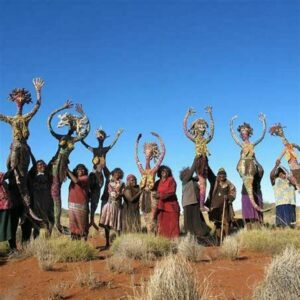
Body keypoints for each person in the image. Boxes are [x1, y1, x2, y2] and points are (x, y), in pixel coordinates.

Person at [0, 78, 44, 222]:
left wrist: (38, 92)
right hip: (17, 145)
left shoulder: (26, 117)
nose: (20, 99)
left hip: (25, 148)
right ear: (14, 100)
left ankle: (27, 209)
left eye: (22, 97)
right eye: (17, 97)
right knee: (14, 171)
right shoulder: (12, 119)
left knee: (23, 178)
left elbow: (37, 106)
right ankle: (9, 177)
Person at [48, 100, 90, 232]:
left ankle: (58, 225)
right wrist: (62, 108)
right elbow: (49, 124)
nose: (72, 126)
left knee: (57, 192)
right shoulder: (61, 137)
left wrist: (83, 114)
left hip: (63, 168)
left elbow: (87, 131)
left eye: (74, 124)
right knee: (54, 192)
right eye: (70, 123)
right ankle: (56, 224)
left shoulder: (74, 139)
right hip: (55, 165)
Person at [81, 128, 123, 229]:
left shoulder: (105, 149)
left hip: (102, 174)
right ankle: (87, 219)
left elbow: (112, 145)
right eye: (99, 135)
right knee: (87, 192)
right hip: (94, 172)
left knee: (97, 194)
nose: (100, 137)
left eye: (102, 136)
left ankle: (94, 220)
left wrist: (117, 136)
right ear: (97, 137)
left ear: (104, 138)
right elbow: (85, 145)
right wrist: (81, 137)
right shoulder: (94, 149)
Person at [230, 113, 266, 214]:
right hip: (243, 165)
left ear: (249, 132)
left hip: (251, 163)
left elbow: (262, 136)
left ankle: (256, 202)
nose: (243, 133)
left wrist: (264, 122)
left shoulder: (252, 144)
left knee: (260, 170)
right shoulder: (241, 144)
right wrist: (231, 124)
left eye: (245, 131)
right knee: (238, 168)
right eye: (242, 131)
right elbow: (233, 136)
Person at [183, 106, 214, 212]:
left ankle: (206, 202)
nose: (201, 127)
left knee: (212, 181)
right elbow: (185, 131)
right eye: (199, 125)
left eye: (203, 126)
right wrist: (187, 116)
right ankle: (201, 205)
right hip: (199, 160)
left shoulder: (206, 140)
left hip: (205, 161)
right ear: (195, 127)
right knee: (203, 183)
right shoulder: (195, 139)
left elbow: (212, 132)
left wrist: (210, 115)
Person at [135, 132, 165, 233]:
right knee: (146, 217)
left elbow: (163, 153)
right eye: (146, 152)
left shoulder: (154, 170)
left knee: (152, 217)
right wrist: (137, 142)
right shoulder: (142, 170)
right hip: (143, 195)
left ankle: (155, 235)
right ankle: (150, 237)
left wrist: (159, 138)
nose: (148, 155)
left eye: (150, 153)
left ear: (152, 155)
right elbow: (136, 158)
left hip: (152, 195)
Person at [180, 158, 210, 241]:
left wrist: (203, 164)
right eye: (187, 173)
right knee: (190, 221)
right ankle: (191, 237)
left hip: (195, 203)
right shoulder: (185, 180)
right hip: (188, 203)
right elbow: (192, 171)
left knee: (197, 220)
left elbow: (200, 176)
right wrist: (195, 159)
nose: (189, 173)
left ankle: (200, 236)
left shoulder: (194, 181)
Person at [207, 168, 236, 243]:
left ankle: (227, 240)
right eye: (220, 174)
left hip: (225, 206)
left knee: (226, 222)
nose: (222, 176)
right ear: (218, 175)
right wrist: (207, 204)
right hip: (215, 206)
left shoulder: (228, 183)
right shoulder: (215, 183)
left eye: (223, 174)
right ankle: (218, 240)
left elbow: (233, 191)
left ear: (225, 175)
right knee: (217, 223)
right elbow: (210, 194)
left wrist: (229, 197)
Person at [99, 168, 124, 249]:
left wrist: (119, 193)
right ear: (112, 174)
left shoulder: (122, 183)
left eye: (118, 173)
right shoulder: (110, 183)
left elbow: (122, 193)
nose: (117, 175)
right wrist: (117, 193)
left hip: (117, 206)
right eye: (115, 173)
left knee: (118, 225)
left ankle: (119, 243)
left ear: (120, 175)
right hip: (109, 205)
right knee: (107, 225)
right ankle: (107, 243)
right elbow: (111, 193)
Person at [269, 123, 300, 190]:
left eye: (280, 130)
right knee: (291, 176)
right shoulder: (285, 149)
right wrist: (278, 160)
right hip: (292, 167)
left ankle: (297, 185)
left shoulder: (291, 145)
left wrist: (298, 147)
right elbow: (280, 156)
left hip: (296, 165)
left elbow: (296, 146)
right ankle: (297, 185)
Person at [28, 159, 54, 237]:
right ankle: (36, 241)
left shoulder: (48, 176)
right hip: (36, 204)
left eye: (43, 164)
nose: (42, 165)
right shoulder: (32, 177)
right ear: (36, 167)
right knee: (36, 224)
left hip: (47, 202)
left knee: (49, 223)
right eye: (40, 164)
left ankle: (47, 240)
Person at [155, 166, 180, 239]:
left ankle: (174, 240)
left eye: (166, 171)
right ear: (159, 172)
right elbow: (153, 190)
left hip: (171, 206)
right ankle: (163, 240)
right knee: (162, 224)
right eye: (162, 170)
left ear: (168, 172)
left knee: (173, 223)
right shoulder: (157, 182)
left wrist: (160, 195)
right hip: (161, 206)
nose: (164, 172)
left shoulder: (171, 180)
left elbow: (172, 191)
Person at [270, 162, 296, 227]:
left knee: (291, 225)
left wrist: (290, 179)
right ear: (278, 174)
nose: (282, 174)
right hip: (281, 204)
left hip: (291, 204)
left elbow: (296, 185)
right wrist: (276, 166)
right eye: (280, 173)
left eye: (284, 173)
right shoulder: (275, 181)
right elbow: (271, 175)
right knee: (282, 224)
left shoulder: (290, 181)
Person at [67, 164, 89, 240]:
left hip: (81, 206)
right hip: (72, 206)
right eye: (79, 169)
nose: (81, 171)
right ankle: (75, 246)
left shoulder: (85, 178)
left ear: (85, 171)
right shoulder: (73, 178)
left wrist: (67, 169)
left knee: (82, 226)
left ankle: (83, 245)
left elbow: (76, 181)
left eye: (83, 169)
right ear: (76, 171)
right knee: (73, 226)